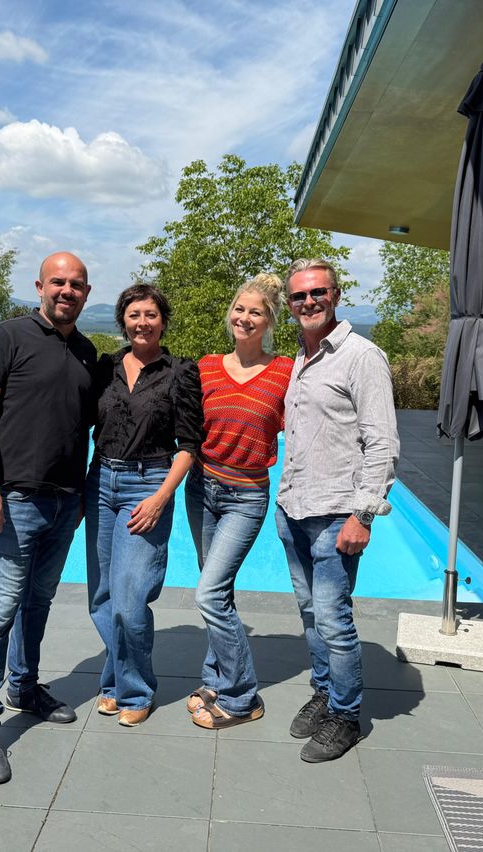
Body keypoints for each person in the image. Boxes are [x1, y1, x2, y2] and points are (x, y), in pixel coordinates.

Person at [0, 252, 96, 784]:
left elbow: (82, 428)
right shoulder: (9, 336)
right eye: (58, 282)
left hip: (65, 502)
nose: (67, 291)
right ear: (40, 286)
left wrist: (82, 494)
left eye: (76, 284)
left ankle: (24, 686)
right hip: (16, 499)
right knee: (0, 611)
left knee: (38, 602)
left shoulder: (87, 351)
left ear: (86, 293)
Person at [276, 258, 398, 763]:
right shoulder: (300, 358)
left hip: (336, 513)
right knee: (311, 614)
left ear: (336, 295)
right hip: (294, 507)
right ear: (289, 303)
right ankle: (325, 693)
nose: (309, 301)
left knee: (333, 619)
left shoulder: (361, 356)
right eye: (299, 295)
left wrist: (363, 515)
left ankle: (346, 716)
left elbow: (382, 442)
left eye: (318, 292)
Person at [86, 283, 203, 727]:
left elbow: (189, 444)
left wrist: (160, 497)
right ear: (123, 321)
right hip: (101, 481)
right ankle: (114, 682)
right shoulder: (106, 368)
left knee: (130, 598)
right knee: (102, 597)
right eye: (134, 314)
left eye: (150, 314)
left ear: (163, 321)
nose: (142, 322)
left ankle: (136, 690)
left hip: (148, 482)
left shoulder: (180, 372)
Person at [184, 273, 293, 729]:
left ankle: (243, 695)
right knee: (219, 590)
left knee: (208, 594)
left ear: (269, 322)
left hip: (246, 496)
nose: (245, 318)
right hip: (200, 488)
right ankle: (215, 679)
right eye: (240, 309)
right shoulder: (207, 366)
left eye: (256, 312)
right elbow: (186, 425)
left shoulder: (286, 371)